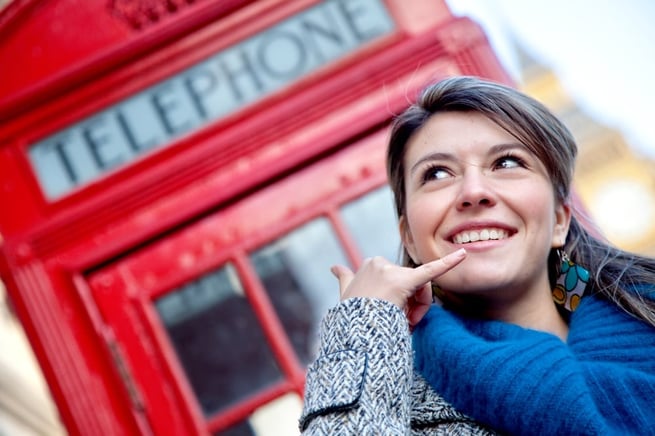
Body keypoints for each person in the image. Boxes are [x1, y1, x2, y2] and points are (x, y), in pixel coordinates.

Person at [298, 75, 655, 435]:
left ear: (560, 220)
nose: (473, 191)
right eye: (437, 173)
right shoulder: (395, 412)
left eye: (507, 163)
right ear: (410, 239)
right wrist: (363, 329)